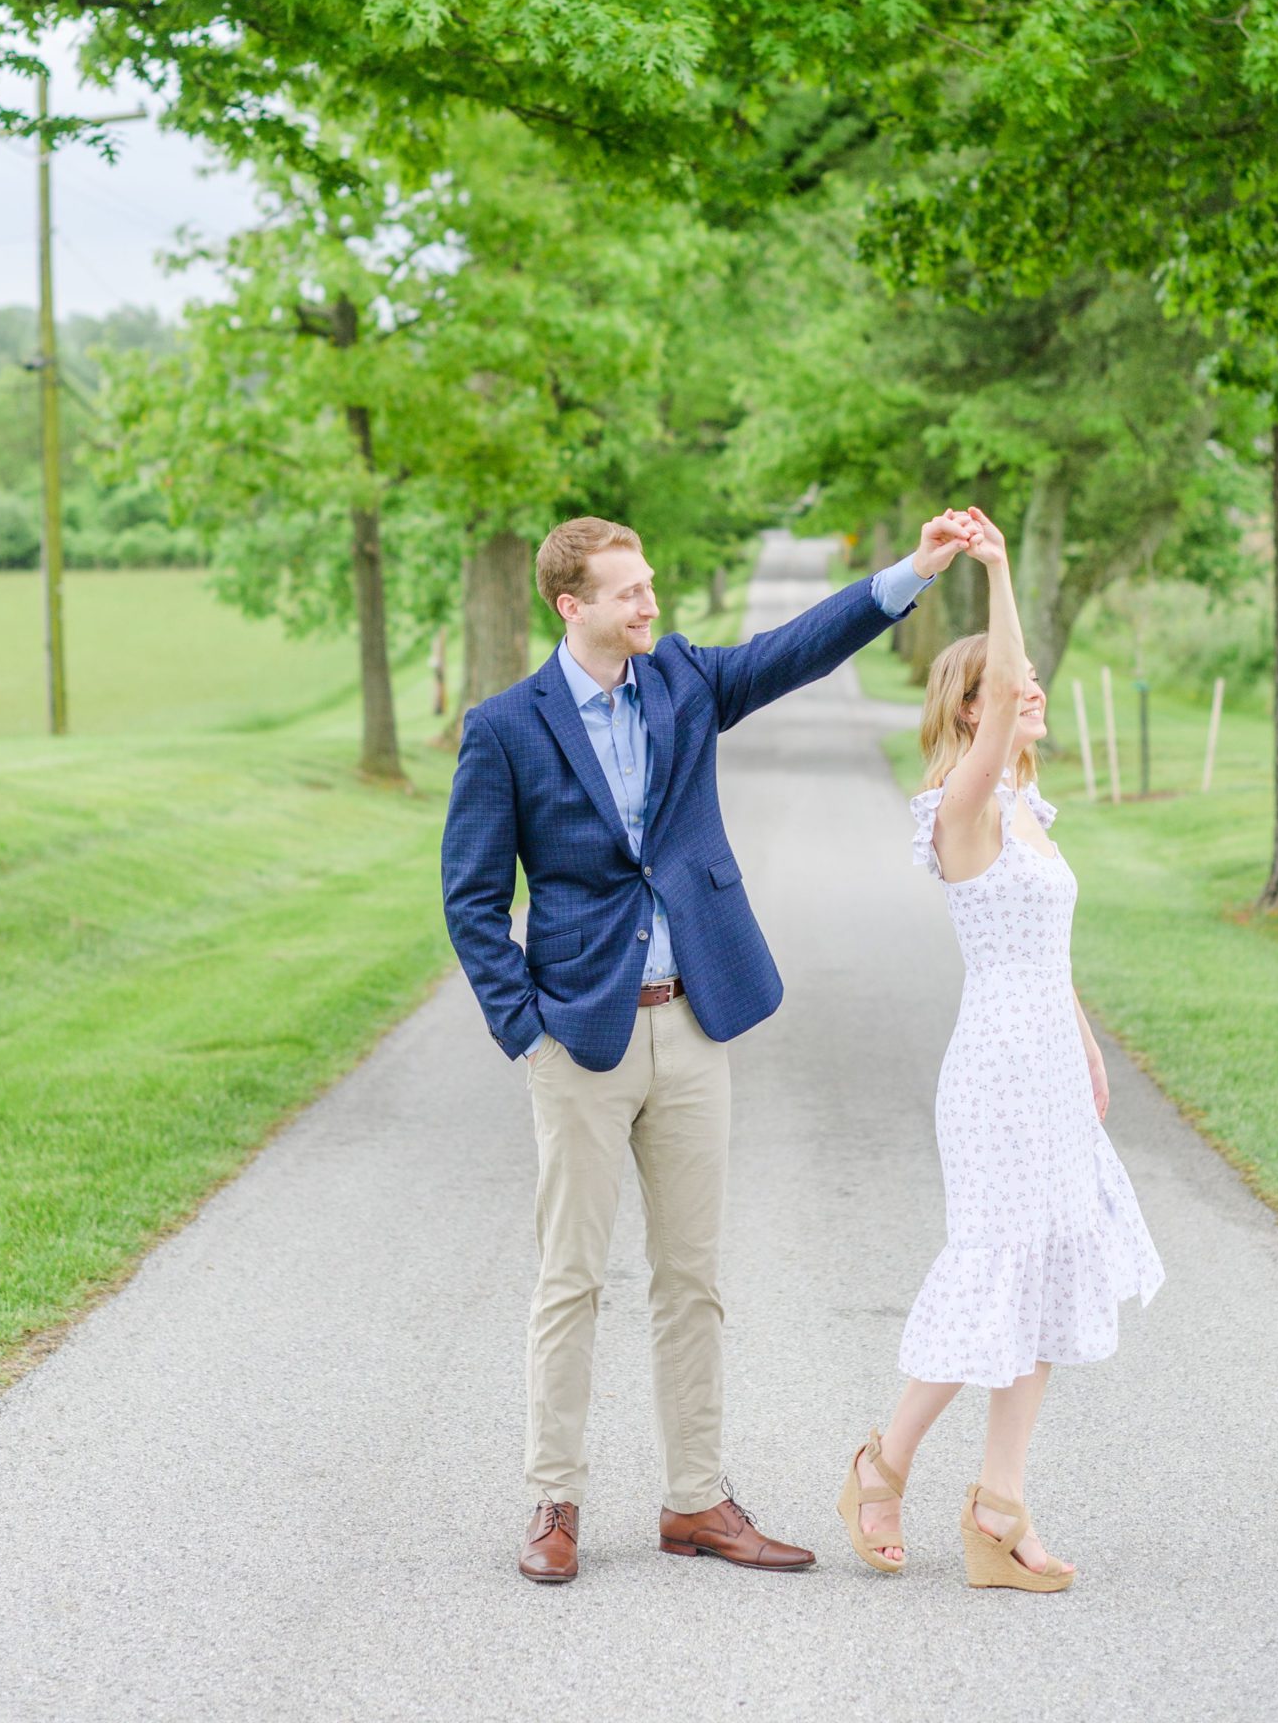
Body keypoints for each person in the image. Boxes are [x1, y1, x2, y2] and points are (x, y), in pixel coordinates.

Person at [442, 510, 978, 1584]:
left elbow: (795, 649)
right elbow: (469, 899)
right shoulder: (505, 727)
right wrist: (528, 1035)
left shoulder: (683, 679)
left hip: (692, 1020)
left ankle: (695, 1501)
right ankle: (555, 1501)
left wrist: (910, 574)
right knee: (571, 1278)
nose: (650, 602)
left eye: (649, 583)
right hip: (580, 1040)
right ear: (570, 604)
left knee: (691, 1277)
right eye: (627, 590)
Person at [837, 506, 1162, 1591]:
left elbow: (1044, 947)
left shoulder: (1029, 811)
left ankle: (997, 1513)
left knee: (1038, 1279)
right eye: (1007, 684)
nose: (1030, 691)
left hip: (1046, 1063)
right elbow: (1007, 674)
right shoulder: (960, 807)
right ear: (967, 710)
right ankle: (879, 1468)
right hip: (988, 1075)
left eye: (1028, 683)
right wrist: (998, 570)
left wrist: (1084, 1043)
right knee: (990, 1273)